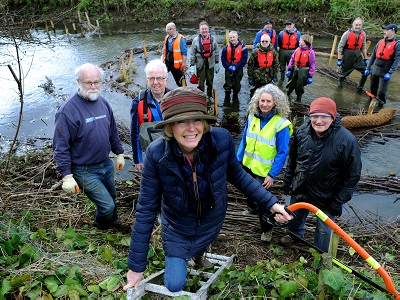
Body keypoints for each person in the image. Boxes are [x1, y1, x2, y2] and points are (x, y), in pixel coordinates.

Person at [123, 87, 292, 293]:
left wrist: (271, 204)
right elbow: (146, 210)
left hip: (212, 218)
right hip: (178, 226)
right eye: (182, 121)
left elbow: (238, 176)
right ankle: (183, 257)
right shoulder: (156, 154)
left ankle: (199, 255)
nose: (191, 128)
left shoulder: (221, 141)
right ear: (170, 127)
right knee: (174, 284)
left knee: (203, 241)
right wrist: (136, 266)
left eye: (197, 120)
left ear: (205, 123)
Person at [53, 63, 130, 232]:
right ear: (78, 82)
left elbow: (112, 131)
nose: (94, 86)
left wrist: (119, 153)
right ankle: (101, 229)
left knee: (112, 196)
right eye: (89, 83)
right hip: (84, 170)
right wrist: (66, 175)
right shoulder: (67, 111)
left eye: (97, 82)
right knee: (107, 205)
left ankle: (112, 221)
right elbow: (60, 147)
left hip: (105, 164)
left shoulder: (103, 103)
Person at [280, 97, 362, 252]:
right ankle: (294, 234)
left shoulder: (347, 140)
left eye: (324, 116)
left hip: (328, 195)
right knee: (295, 218)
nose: (318, 121)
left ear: (333, 117)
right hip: (301, 188)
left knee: (324, 231)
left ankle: (320, 255)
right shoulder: (302, 132)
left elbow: (353, 175)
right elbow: (293, 158)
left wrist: (339, 200)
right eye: (314, 116)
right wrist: (288, 180)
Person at [237, 84, 292, 242]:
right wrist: (238, 160)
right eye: (262, 101)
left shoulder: (281, 124)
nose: (265, 104)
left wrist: (272, 174)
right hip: (248, 165)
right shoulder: (251, 117)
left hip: (264, 171)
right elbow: (244, 140)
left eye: (269, 101)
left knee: (263, 202)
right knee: (248, 190)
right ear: (257, 101)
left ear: (275, 103)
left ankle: (267, 230)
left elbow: (282, 152)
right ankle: (250, 209)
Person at [130, 59, 170, 173]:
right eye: (152, 78)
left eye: (159, 78)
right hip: (152, 155)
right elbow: (135, 133)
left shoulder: (175, 99)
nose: (155, 82)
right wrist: (138, 159)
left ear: (166, 80)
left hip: (174, 152)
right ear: (147, 80)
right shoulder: (137, 102)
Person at [364, 24, 399, 106]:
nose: (384, 32)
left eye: (387, 30)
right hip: (375, 69)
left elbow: (397, 60)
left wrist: (390, 72)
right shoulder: (380, 42)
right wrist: (368, 67)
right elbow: (373, 55)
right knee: (372, 88)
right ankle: (370, 104)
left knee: (382, 92)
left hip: (385, 70)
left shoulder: (397, 44)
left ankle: (380, 106)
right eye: (384, 30)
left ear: (393, 31)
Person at [189, 21, 220, 98]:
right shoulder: (195, 40)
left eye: (205, 29)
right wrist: (192, 65)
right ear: (200, 30)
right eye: (202, 29)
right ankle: (200, 97)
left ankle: (209, 96)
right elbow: (192, 54)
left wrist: (216, 63)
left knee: (210, 81)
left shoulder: (213, 39)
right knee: (201, 83)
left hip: (211, 63)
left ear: (208, 29)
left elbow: (216, 51)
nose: (204, 31)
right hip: (200, 63)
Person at [337, 17, 369, 90]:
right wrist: (339, 59)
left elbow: (363, 47)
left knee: (366, 72)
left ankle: (360, 87)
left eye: (359, 25)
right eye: (356, 25)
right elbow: (340, 47)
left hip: (357, 55)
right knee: (342, 75)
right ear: (353, 25)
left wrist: (365, 58)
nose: (358, 26)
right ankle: (339, 89)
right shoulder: (346, 34)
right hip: (348, 55)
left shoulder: (363, 33)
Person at [286, 34, 316, 102]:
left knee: (300, 84)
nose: (299, 41)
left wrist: (310, 76)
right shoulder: (297, 49)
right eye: (299, 40)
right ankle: (287, 94)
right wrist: (289, 69)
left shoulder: (311, 52)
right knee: (291, 81)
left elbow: (312, 64)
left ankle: (298, 98)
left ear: (306, 41)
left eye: (301, 40)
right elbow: (292, 59)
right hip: (295, 68)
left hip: (304, 70)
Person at [221, 31, 248, 101]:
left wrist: (236, 66)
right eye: (230, 37)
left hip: (238, 68)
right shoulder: (226, 48)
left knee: (237, 85)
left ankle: (235, 98)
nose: (232, 39)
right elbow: (223, 59)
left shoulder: (243, 47)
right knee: (227, 85)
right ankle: (227, 100)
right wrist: (228, 66)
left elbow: (244, 59)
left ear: (237, 37)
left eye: (233, 37)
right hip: (228, 67)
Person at [162, 22, 188, 87]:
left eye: (168, 30)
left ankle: (185, 93)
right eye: (166, 30)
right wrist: (162, 58)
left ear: (173, 29)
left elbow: (184, 53)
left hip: (176, 65)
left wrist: (183, 64)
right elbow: (164, 49)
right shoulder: (167, 37)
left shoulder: (181, 39)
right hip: (167, 62)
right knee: (161, 76)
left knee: (180, 82)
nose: (167, 31)